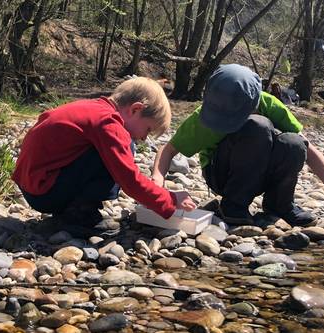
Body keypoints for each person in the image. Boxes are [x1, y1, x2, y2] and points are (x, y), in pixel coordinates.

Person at [151, 64, 324, 237]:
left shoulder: (269, 104)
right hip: (222, 176)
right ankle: (233, 205)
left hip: (260, 171)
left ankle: (280, 204)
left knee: (294, 143)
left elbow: (309, 151)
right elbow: (168, 149)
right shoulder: (206, 117)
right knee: (258, 126)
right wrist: (157, 185)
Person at [13, 77, 196, 237]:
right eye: (148, 130)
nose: (144, 138)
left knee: (124, 143)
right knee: (124, 145)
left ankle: (70, 209)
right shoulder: (107, 123)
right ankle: (79, 215)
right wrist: (169, 200)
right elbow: (129, 179)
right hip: (45, 193)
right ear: (135, 109)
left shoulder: (93, 108)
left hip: (34, 185)